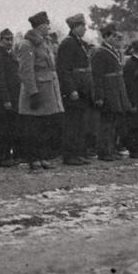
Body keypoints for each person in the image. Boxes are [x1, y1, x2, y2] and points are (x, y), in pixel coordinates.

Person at [18, 11, 64, 170]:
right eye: (46, 24)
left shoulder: (45, 43)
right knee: (34, 127)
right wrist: (32, 92)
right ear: (40, 26)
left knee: (46, 126)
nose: (49, 27)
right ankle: (33, 158)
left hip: (49, 89)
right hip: (38, 90)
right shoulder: (27, 45)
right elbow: (26, 71)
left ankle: (43, 156)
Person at [56, 13, 95, 166]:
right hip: (74, 90)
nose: (85, 29)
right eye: (82, 26)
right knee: (71, 124)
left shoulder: (80, 43)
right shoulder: (67, 43)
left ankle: (79, 153)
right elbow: (64, 69)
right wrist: (71, 89)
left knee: (80, 124)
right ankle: (70, 155)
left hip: (83, 88)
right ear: (75, 27)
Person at [91, 23, 133, 160]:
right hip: (108, 92)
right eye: (113, 36)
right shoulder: (100, 53)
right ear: (106, 37)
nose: (116, 38)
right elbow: (97, 76)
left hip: (116, 91)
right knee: (106, 124)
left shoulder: (114, 51)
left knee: (114, 123)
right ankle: (104, 152)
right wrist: (99, 96)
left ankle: (111, 149)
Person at [0, 29, 21, 167]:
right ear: (0, 40)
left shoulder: (11, 56)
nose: (9, 42)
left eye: (11, 39)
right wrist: (6, 99)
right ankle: (2, 157)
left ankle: (7, 156)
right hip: (2, 101)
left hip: (13, 98)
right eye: (6, 39)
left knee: (10, 129)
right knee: (2, 130)